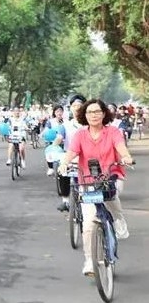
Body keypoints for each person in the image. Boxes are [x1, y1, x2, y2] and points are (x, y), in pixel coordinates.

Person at [57, 99, 132, 276]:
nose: (94, 115)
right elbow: (72, 152)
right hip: (88, 181)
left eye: (97, 111)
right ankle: (90, 262)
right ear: (84, 115)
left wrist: (126, 157)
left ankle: (119, 218)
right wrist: (64, 163)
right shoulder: (80, 135)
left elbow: (121, 148)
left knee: (111, 195)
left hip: (112, 176)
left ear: (104, 113)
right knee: (89, 224)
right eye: (90, 112)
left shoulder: (113, 132)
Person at [55, 95, 86, 212]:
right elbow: (59, 138)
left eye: (79, 106)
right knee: (62, 171)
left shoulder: (90, 124)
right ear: (71, 108)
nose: (77, 108)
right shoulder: (65, 125)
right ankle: (65, 200)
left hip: (87, 157)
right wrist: (54, 146)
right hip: (70, 157)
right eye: (74, 106)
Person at [42, 105, 66, 176]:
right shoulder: (50, 122)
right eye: (57, 111)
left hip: (63, 141)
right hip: (52, 141)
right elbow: (46, 129)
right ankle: (50, 167)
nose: (59, 113)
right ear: (54, 113)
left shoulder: (66, 121)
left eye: (61, 111)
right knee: (48, 151)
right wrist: (44, 133)